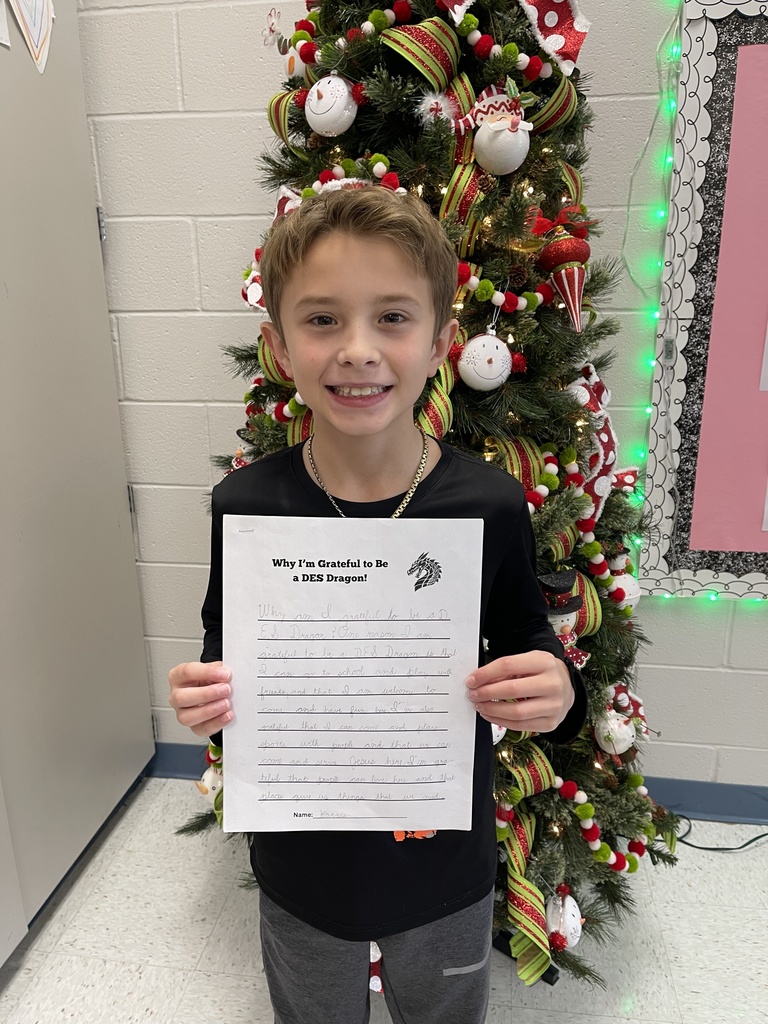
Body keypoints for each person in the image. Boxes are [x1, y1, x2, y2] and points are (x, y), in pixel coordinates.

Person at [168, 186, 586, 1024]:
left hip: (442, 867)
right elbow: (225, 653)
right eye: (322, 320)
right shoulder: (246, 506)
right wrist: (205, 698)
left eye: (392, 317)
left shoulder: (490, 504)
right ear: (279, 347)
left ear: (439, 345)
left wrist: (558, 688)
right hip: (302, 870)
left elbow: (529, 640)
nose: (357, 350)